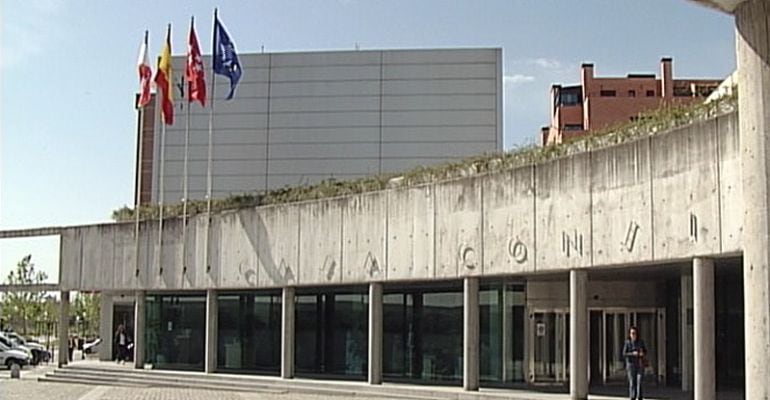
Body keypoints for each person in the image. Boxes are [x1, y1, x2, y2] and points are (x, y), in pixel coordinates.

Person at [622, 326, 647, 400]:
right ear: (629, 334)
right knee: (632, 382)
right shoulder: (627, 342)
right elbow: (624, 353)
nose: (633, 335)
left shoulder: (640, 342)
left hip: (639, 364)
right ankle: (632, 397)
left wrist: (642, 353)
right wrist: (632, 354)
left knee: (639, 381)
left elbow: (645, 351)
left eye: (634, 333)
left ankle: (639, 397)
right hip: (631, 364)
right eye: (632, 333)